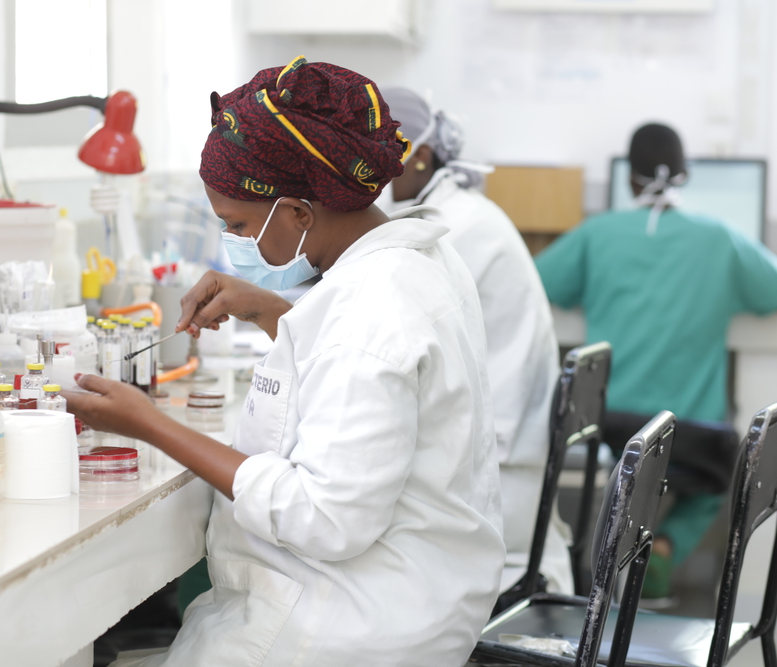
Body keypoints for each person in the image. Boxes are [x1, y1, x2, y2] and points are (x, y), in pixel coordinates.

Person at [66, 56, 505, 666]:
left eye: (238, 225)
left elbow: (325, 518)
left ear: (299, 213)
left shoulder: (371, 310)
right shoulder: (417, 258)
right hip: (409, 597)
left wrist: (150, 424)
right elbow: (361, 375)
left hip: (343, 628)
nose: (234, 243)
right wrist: (272, 311)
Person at [535, 122, 777, 600]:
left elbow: (540, 283)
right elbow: (770, 292)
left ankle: (601, 565)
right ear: (685, 176)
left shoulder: (597, 233)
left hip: (611, 429)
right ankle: (665, 545)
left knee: (621, 473)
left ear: (629, 182)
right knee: (726, 464)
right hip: (690, 436)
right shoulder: (721, 238)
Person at [381, 87, 572, 596]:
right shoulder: (453, 211)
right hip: (506, 446)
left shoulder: (449, 227)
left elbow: (376, 322)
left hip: (498, 470)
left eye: (375, 152)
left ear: (419, 155)